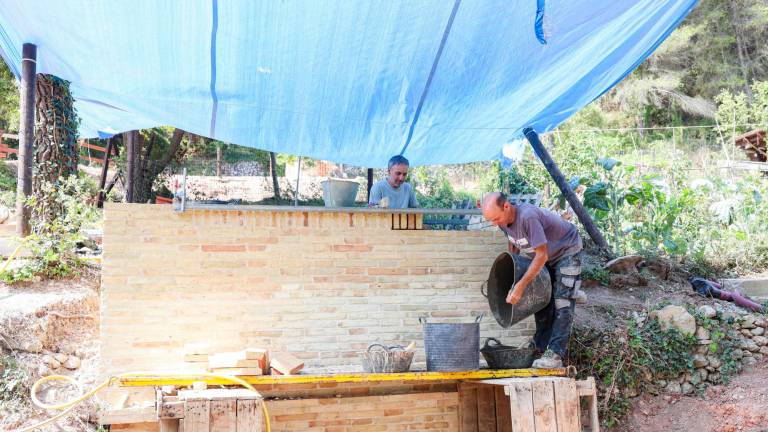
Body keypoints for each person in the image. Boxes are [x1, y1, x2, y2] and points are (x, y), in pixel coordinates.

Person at [481, 192, 584, 368]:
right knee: (541, 300)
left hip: (567, 250)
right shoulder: (503, 221)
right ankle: (540, 349)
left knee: (562, 302)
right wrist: (513, 274)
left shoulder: (528, 217)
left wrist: (520, 286)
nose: (494, 223)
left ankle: (555, 355)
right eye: (490, 220)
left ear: (506, 206)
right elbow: (514, 241)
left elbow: (541, 255)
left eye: (495, 218)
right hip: (547, 257)